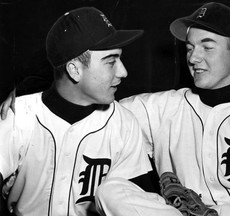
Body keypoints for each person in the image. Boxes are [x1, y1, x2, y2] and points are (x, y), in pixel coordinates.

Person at [1, 2, 230, 216]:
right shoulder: (161, 107)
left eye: (207, 47)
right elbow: (80, 101)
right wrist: (34, 87)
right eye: (189, 48)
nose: (194, 57)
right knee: (111, 191)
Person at [0, 6, 183, 216]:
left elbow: (137, 205)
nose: (123, 71)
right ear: (74, 70)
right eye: (111, 61)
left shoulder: (123, 123)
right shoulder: (18, 114)